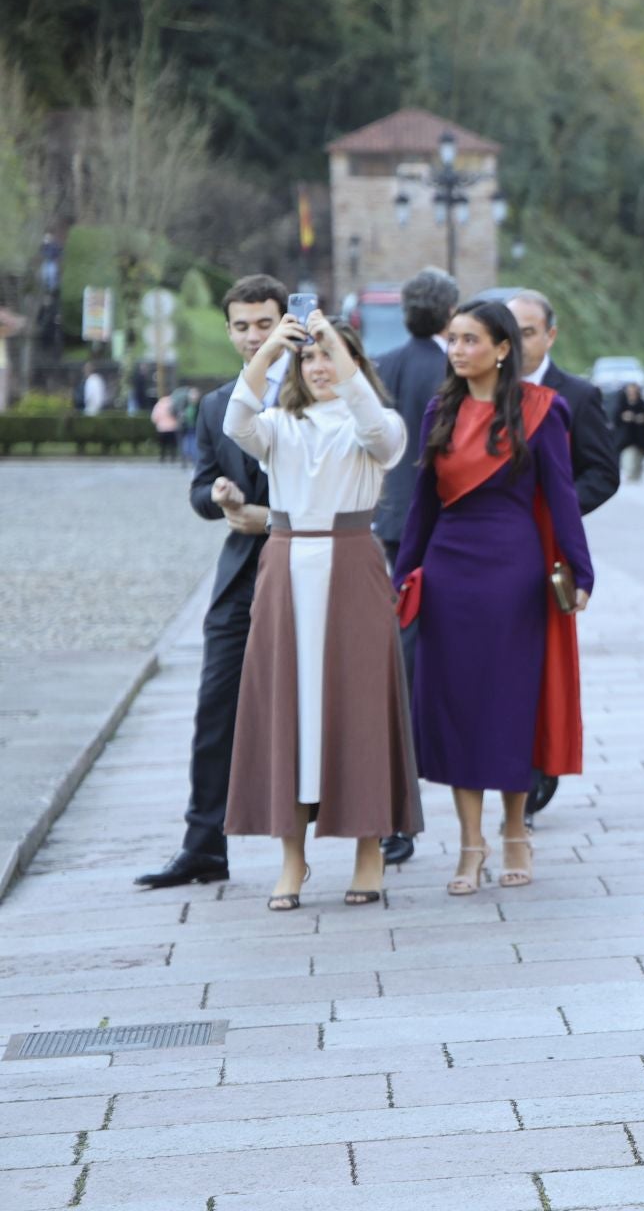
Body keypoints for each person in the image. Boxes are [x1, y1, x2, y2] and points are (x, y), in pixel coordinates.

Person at [389, 299, 594, 894]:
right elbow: (423, 502)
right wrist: (406, 573)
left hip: (515, 576)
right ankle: (469, 843)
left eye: (470, 340)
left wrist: (580, 573)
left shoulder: (543, 411)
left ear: (503, 348)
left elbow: (561, 497)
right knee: (456, 709)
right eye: (452, 339)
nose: (456, 350)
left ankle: (513, 832)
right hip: (450, 575)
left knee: (509, 707)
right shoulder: (439, 411)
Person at [222, 309, 421, 908]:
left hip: (352, 562)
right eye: (308, 357)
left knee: (357, 704)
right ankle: (291, 859)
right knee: (287, 703)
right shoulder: (279, 425)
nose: (319, 367)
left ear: (352, 362)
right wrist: (266, 354)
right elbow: (236, 422)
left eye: (329, 355)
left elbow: (382, 438)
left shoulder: (374, 423)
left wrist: (337, 344)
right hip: (286, 564)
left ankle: (368, 851)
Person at [135, 275, 290, 889]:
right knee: (215, 712)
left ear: (286, 322)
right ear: (228, 330)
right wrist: (218, 495)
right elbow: (200, 488)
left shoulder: (319, 389)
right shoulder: (217, 402)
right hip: (240, 578)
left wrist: (272, 517)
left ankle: (381, 829)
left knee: (334, 702)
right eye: (242, 326)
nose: (253, 336)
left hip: (310, 568)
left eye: (264, 323)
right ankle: (204, 847)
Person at [506, 289, 621, 819]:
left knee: (544, 662)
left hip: (548, 551)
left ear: (550, 335)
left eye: (528, 330)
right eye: (510, 329)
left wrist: (558, 511)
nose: (517, 340)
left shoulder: (576, 392)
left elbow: (604, 471)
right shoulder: (484, 389)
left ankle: (539, 769)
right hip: (492, 548)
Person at [371, 267, 459, 868]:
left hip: (384, 521)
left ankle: (395, 816)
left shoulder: (380, 365)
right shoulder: (455, 369)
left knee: (397, 657)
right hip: (441, 527)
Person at [615, 383, 644, 480]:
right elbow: (615, 420)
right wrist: (624, 417)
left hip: (640, 441)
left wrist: (641, 418)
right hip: (626, 441)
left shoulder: (643, 406)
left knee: (637, 466)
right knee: (629, 464)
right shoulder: (621, 405)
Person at [151, 392, 181, 464]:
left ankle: (162, 457)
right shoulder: (174, 404)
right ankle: (172, 457)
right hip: (173, 427)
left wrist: (157, 423)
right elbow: (178, 415)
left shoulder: (159, 405)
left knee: (162, 445)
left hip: (161, 428)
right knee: (172, 444)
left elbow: (154, 417)